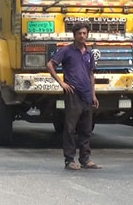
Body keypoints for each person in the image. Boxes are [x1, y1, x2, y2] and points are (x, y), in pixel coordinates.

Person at [46, 23, 101, 170]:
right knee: (70, 128)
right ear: (74, 35)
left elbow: (91, 74)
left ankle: (85, 159)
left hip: (87, 95)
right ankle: (69, 160)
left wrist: (93, 94)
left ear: (87, 35)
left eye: (84, 33)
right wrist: (62, 83)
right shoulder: (67, 51)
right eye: (79, 33)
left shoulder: (89, 53)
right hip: (73, 94)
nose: (82, 36)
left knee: (86, 129)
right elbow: (50, 65)